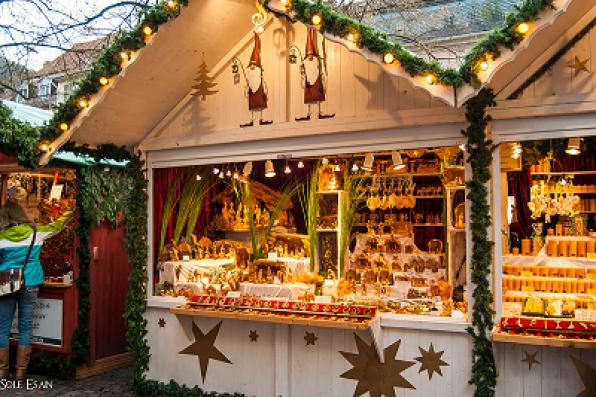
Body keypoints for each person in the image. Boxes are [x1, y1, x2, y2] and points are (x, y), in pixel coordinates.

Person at [0, 196, 71, 380]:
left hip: (6, 284)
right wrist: (71, 211)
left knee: (2, 327)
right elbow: (57, 226)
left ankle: (2, 371)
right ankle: (20, 372)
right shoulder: (36, 233)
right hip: (30, 283)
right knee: (25, 326)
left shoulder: (1, 237)